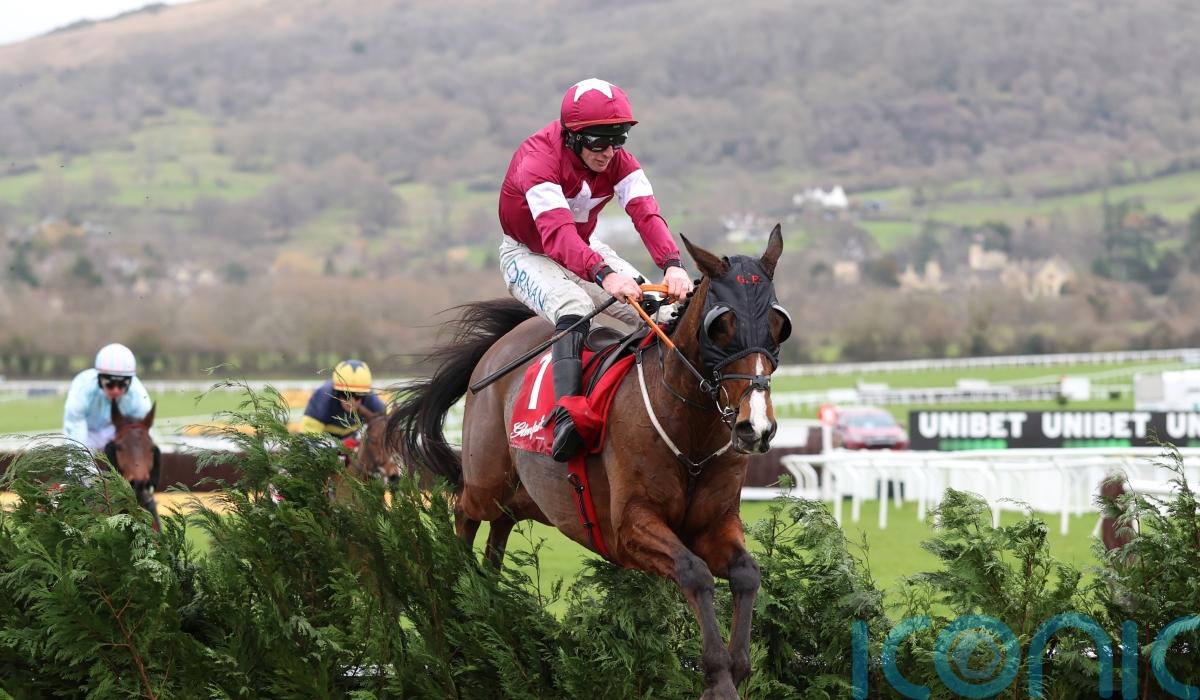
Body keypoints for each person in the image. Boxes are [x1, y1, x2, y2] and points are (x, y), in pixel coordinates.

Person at [498, 78, 694, 462]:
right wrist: (605, 275)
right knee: (574, 306)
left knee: (664, 310)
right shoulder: (537, 160)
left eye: (618, 140)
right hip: (528, 253)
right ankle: (566, 416)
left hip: (583, 247)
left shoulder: (620, 162)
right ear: (572, 137)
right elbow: (557, 235)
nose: (609, 152)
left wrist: (673, 265)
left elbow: (647, 214)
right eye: (599, 142)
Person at [62, 342, 156, 484]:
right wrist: (88, 477)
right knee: (77, 472)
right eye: (110, 383)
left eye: (122, 384)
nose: (116, 390)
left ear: (130, 382)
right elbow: (77, 438)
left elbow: (142, 440)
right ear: (99, 379)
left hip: (115, 433)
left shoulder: (139, 399)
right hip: (85, 432)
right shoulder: (82, 390)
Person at [299, 359, 387, 443]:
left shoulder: (372, 400)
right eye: (345, 395)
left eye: (358, 395)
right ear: (336, 392)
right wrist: (338, 447)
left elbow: (388, 427)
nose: (351, 402)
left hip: (353, 438)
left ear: (366, 394)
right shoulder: (322, 399)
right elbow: (308, 441)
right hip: (324, 442)